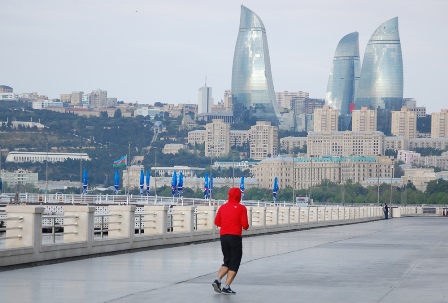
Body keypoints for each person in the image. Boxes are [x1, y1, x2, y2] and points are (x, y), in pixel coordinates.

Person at [212, 187, 249, 295]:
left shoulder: (223, 207)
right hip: (235, 237)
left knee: (227, 260)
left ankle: (217, 280)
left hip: (223, 237)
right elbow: (245, 225)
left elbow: (217, 222)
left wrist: (227, 224)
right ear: (239, 196)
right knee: (235, 262)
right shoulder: (241, 208)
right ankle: (226, 287)